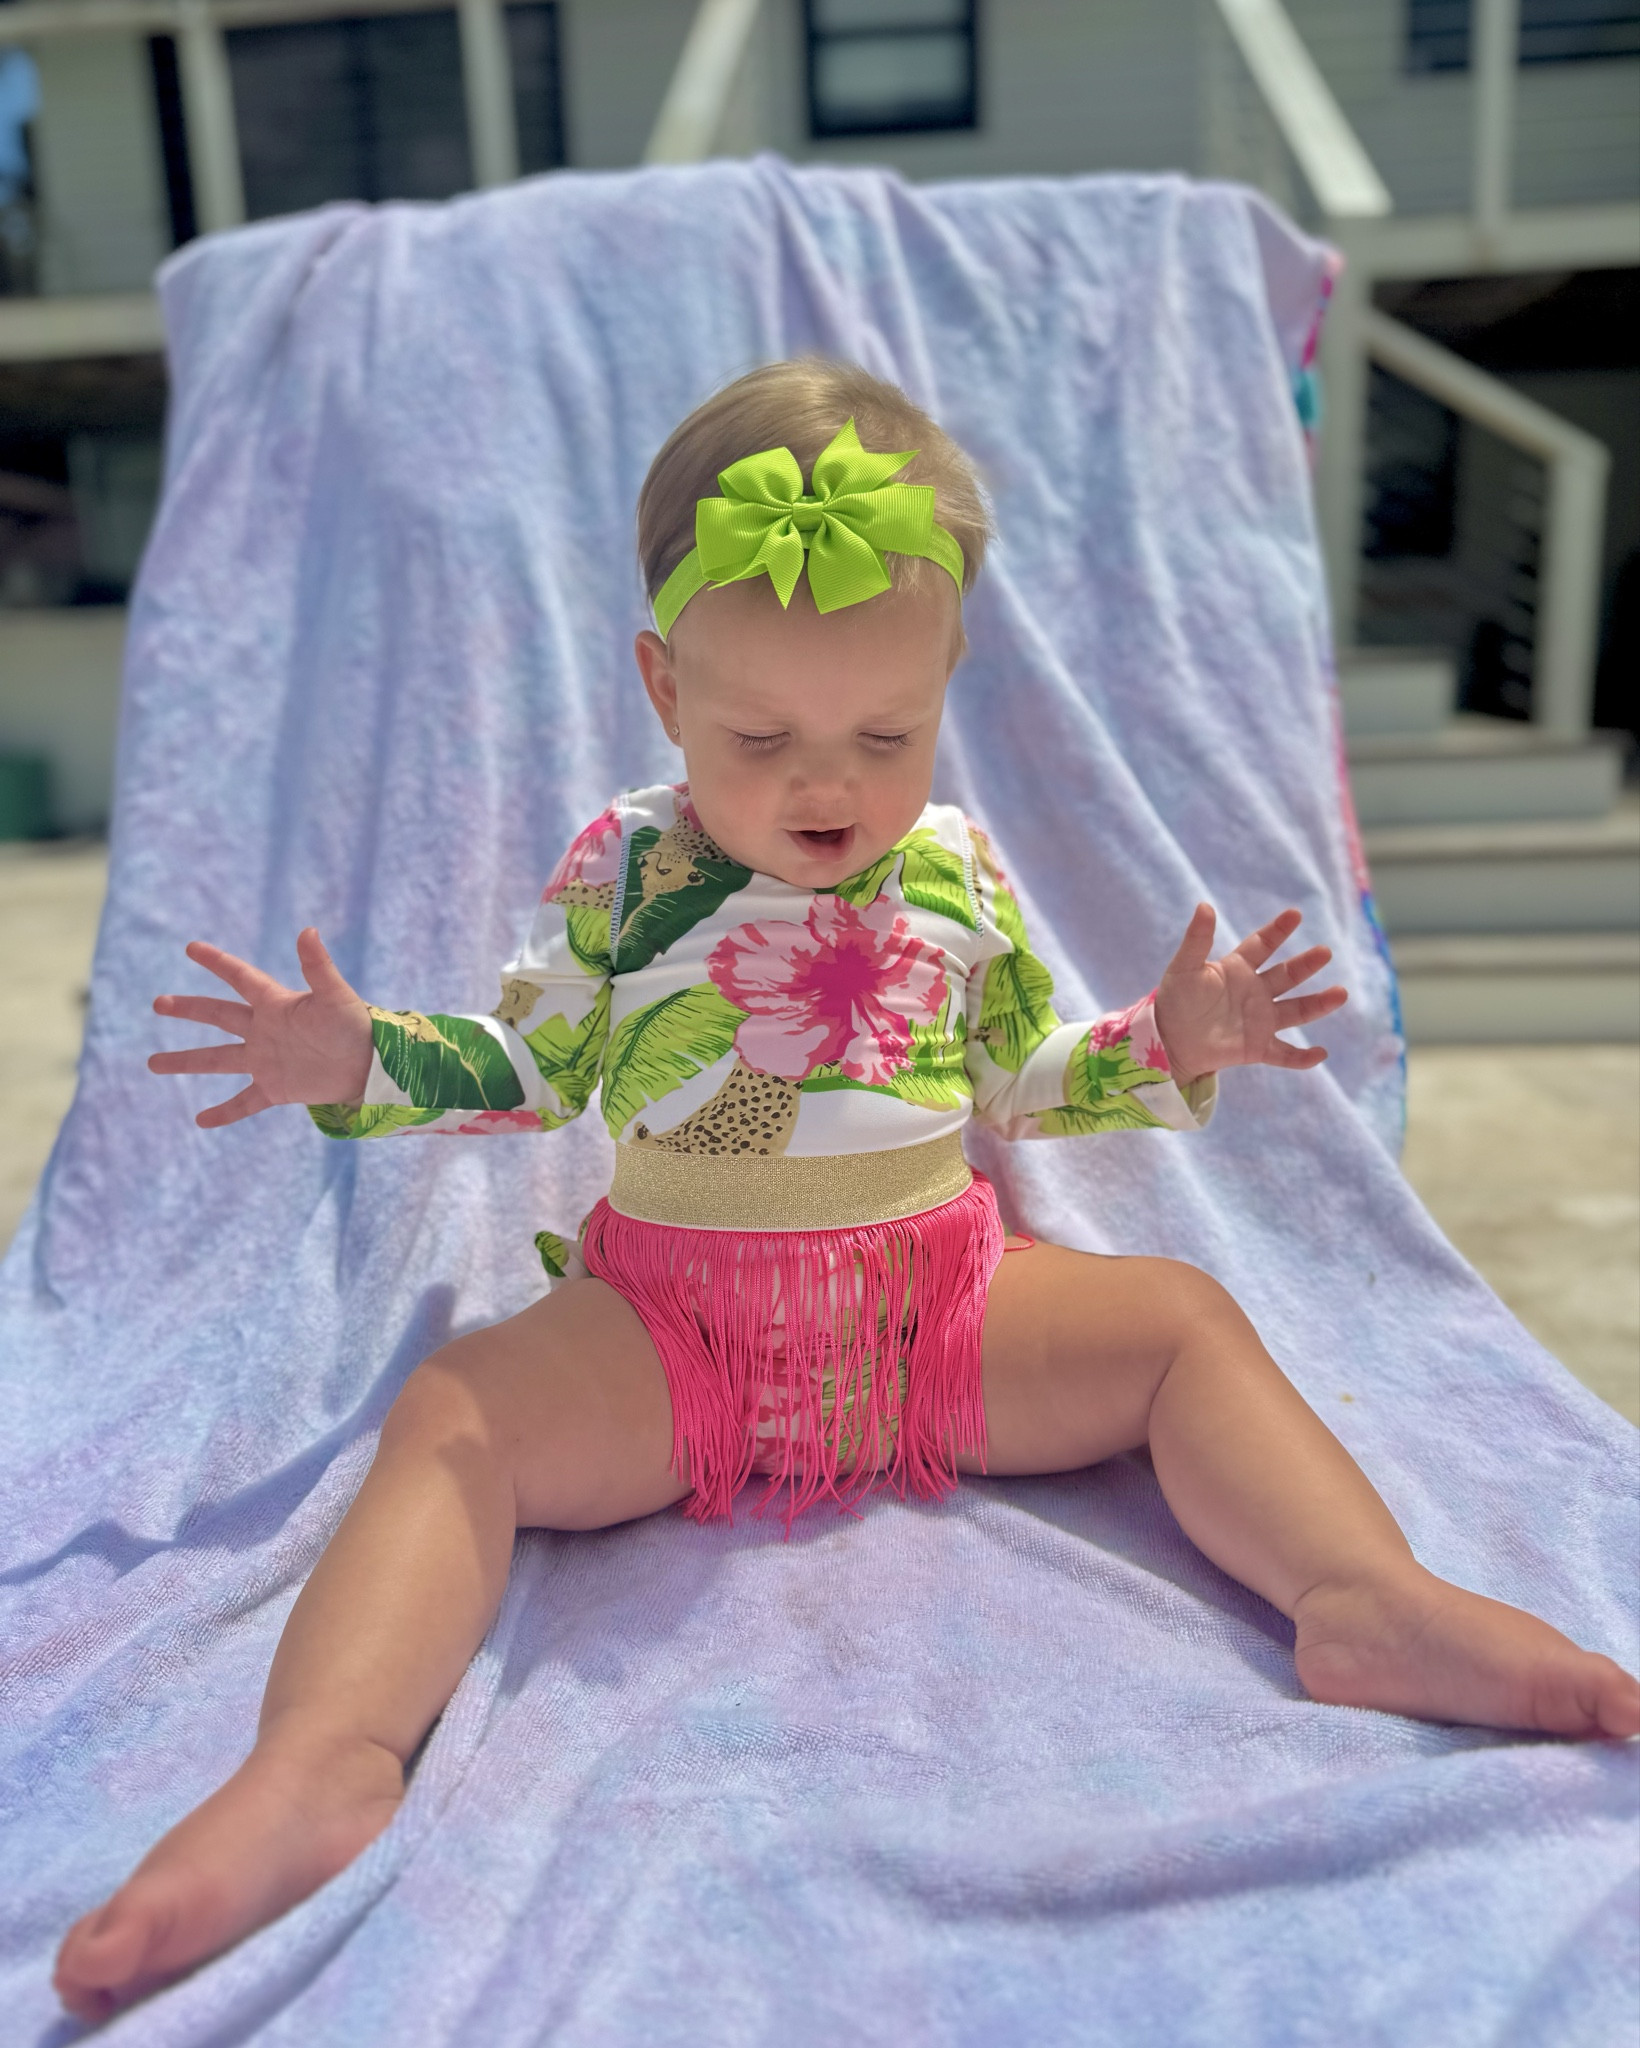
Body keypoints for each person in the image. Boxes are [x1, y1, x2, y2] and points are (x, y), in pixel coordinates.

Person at [55, 358, 1640, 2023]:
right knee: (459, 1411)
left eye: (884, 735)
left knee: (1181, 1323)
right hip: (674, 1340)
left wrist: (1174, 1037)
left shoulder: (954, 870)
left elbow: (1021, 1079)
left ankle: (1360, 1599)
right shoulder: (627, 871)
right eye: (765, 737)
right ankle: (326, 1756)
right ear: (665, 687)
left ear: (948, 683)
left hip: (932, 1315)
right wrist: (363, 1054)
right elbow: (533, 1066)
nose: (829, 788)